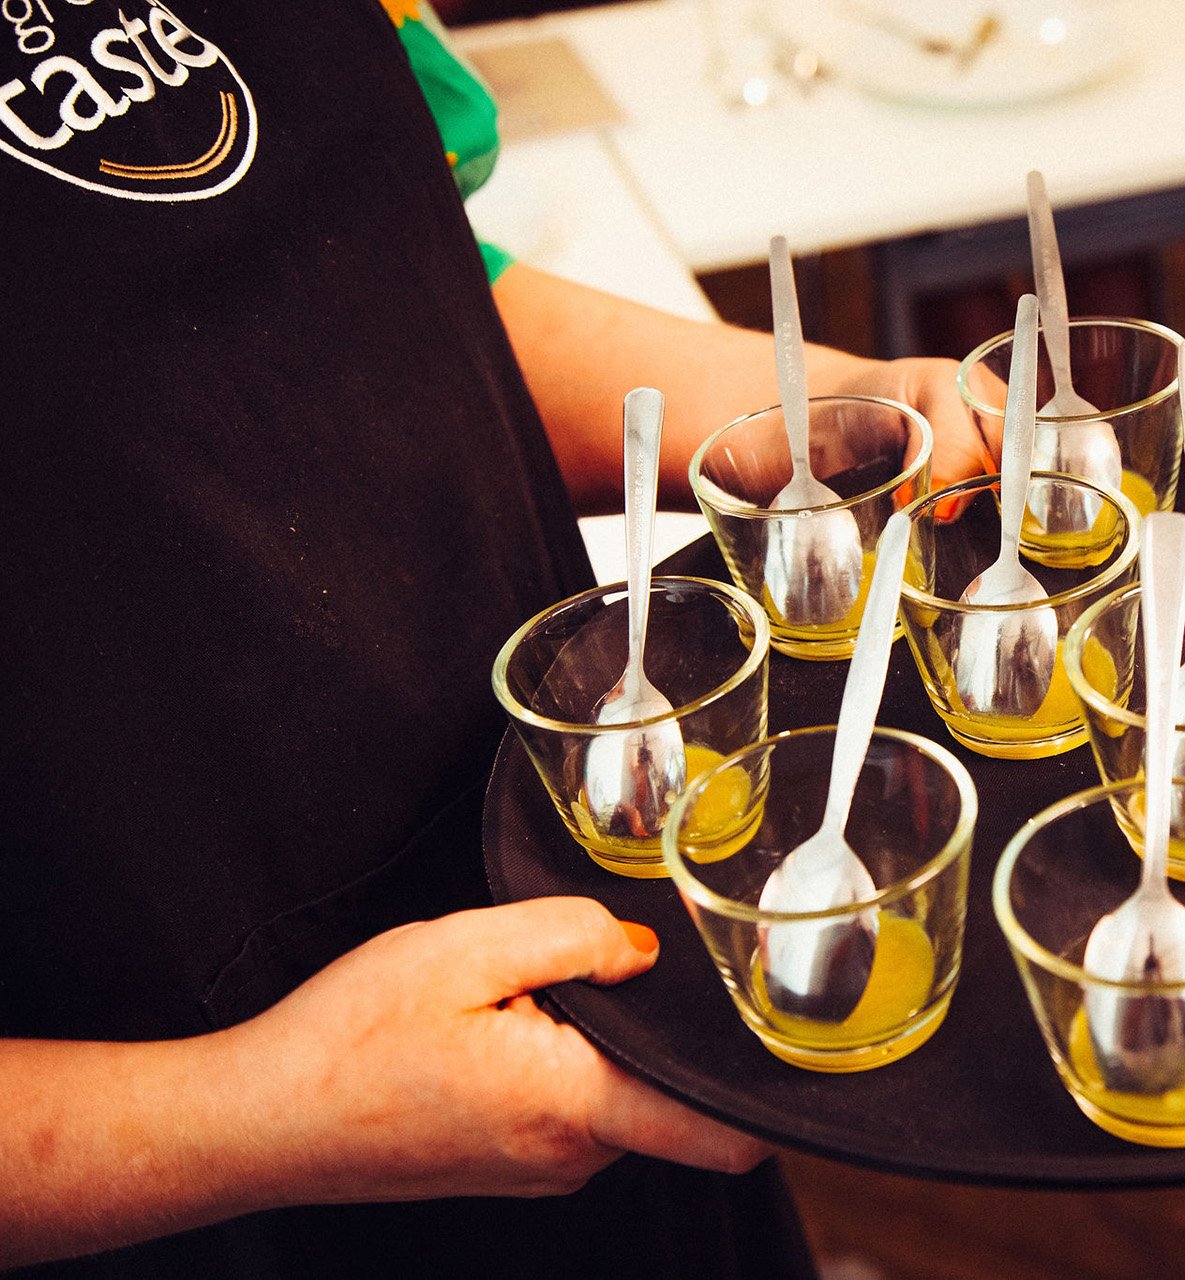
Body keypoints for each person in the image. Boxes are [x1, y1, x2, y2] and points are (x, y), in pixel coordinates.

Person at [0, 0, 994, 1272]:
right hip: (187, 1172)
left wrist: (799, 409)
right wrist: (252, 1113)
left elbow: (381, 277)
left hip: (582, 892)